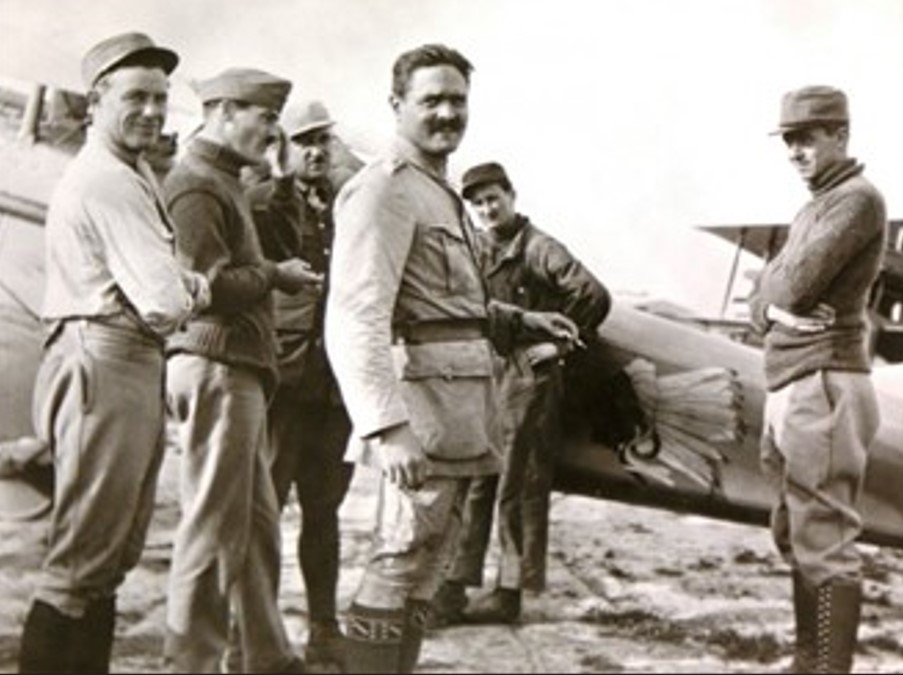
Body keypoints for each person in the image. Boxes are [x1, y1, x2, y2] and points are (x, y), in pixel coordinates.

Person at [325, 43, 581, 674]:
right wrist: (386, 426)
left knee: (427, 570)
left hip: (460, 416)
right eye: (430, 100)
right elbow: (354, 315)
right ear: (396, 105)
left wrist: (522, 321)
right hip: (420, 416)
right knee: (398, 560)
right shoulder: (384, 191)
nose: (446, 113)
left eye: (457, 100)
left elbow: (449, 304)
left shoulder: (439, 192)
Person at [18, 32, 210, 673]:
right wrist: (193, 287)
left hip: (123, 360)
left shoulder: (132, 171)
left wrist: (182, 284)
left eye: (160, 99)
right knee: (81, 563)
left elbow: (165, 285)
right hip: (107, 355)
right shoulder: (108, 180)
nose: (154, 112)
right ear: (96, 101)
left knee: (107, 559)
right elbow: (162, 297)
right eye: (136, 97)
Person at [162, 68, 319, 673]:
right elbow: (206, 289)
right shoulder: (198, 185)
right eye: (267, 118)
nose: (275, 133)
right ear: (225, 112)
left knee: (255, 530)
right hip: (218, 367)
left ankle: (268, 658)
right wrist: (276, 276)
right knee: (209, 529)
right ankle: (190, 664)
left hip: (236, 370)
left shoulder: (223, 180)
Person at [430, 161, 611, 626]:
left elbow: (592, 294)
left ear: (512, 196)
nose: (487, 209)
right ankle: (454, 586)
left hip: (529, 382)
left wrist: (556, 344)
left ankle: (510, 593)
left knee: (518, 484)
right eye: (478, 203)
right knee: (474, 482)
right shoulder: (475, 248)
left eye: (494, 198)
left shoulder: (538, 247)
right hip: (487, 376)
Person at [750, 85, 886, 674]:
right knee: (795, 533)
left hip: (823, 384)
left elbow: (786, 288)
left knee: (824, 544)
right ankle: (810, 663)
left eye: (807, 138)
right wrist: (772, 305)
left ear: (841, 135)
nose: (795, 152)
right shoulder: (815, 206)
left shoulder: (856, 201)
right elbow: (764, 301)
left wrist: (774, 300)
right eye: (789, 141)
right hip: (793, 383)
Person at [247, 99, 357, 670]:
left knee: (324, 513)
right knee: (262, 513)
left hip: (332, 391)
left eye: (324, 141)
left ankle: (323, 628)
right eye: (304, 140)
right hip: (282, 389)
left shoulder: (344, 207)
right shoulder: (263, 203)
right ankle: (252, 637)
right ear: (280, 147)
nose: (316, 151)